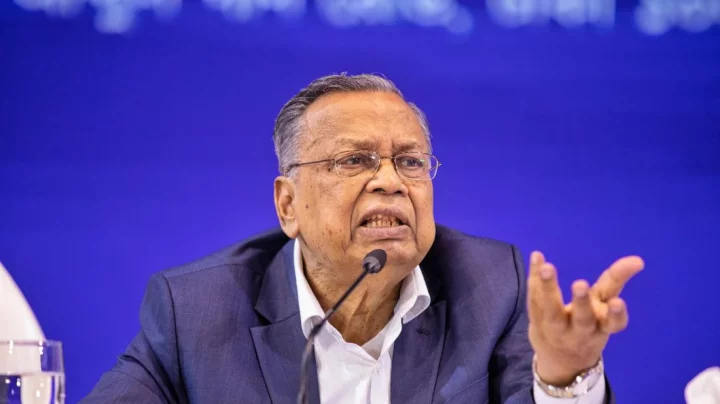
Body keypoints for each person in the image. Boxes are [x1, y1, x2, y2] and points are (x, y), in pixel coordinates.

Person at [80, 73, 644, 404]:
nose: (391, 182)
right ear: (288, 204)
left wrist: (565, 374)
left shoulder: (493, 285)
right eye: (355, 160)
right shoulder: (196, 311)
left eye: (411, 161)